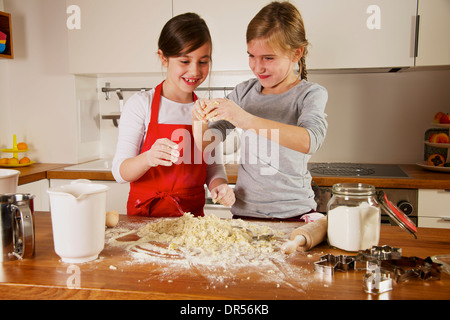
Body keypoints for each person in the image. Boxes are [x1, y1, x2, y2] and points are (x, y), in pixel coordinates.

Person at [192, 2, 328, 220]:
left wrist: (245, 119)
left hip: (294, 214)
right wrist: (198, 119)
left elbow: (309, 141)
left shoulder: (309, 94)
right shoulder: (243, 93)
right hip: (246, 215)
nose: (257, 67)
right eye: (251, 56)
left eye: (268, 58)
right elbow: (208, 143)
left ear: (296, 53)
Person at [112, 13, 235, 217]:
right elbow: (119, 172)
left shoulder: (206, 109)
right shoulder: (142, 105)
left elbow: (214, 169)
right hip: (145, 217)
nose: (194, 71)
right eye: (184, 61)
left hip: (192, 220)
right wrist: (148, 158)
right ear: (163, 57)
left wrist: (220, 186)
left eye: (203, 62)